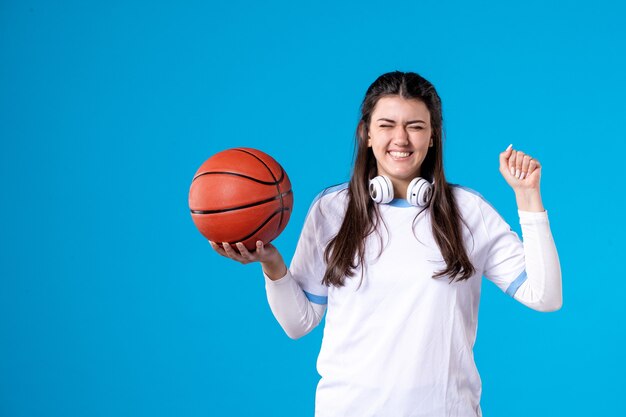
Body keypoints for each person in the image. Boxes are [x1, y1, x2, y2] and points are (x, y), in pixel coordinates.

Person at [209, 71, 562, 417]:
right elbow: (298, 323)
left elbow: (545, 297)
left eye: (416, 126)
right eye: (387, 124)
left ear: (434, 137)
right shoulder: (332, 210)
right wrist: (272, 265)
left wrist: (528, 196)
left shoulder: (468, 212)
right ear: (366, 134)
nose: (401, 139)